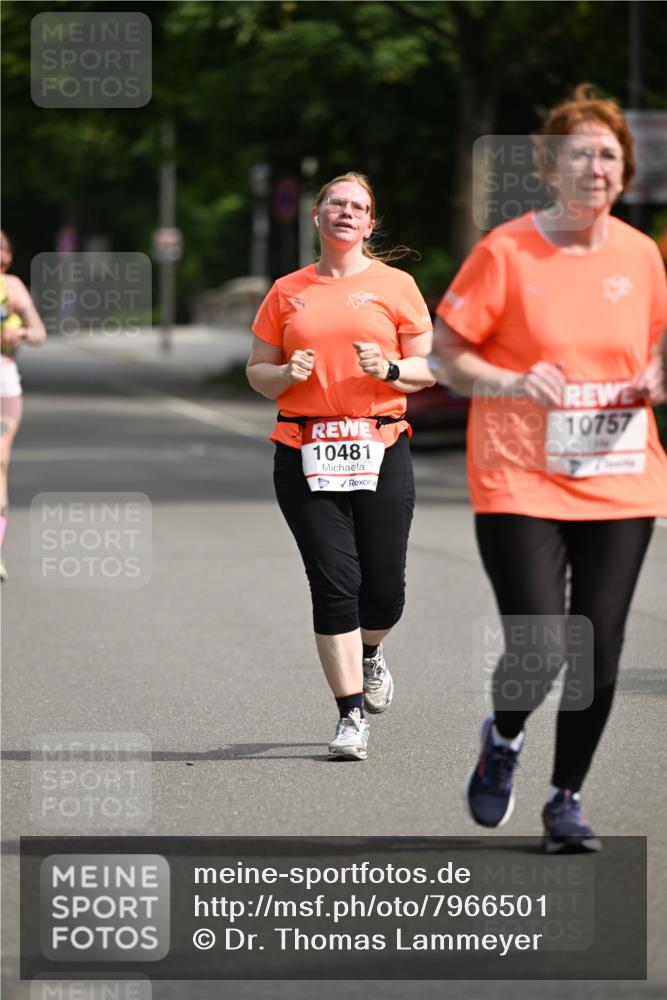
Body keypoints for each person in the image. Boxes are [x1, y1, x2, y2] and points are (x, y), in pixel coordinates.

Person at [433, 85, 667, 851]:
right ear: (549, 168)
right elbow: (447, 354)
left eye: (608, 155)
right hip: (517, 474)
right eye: (580, 155)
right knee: (537, 647)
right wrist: (508, 380)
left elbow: (653, 344)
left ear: (623, 171)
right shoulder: (506, 251)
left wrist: (656, 375)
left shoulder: (640, 255)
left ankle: (565, 798)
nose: (595, 168)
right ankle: (503, 736)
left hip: (618, 472)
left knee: (598, 647)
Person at [247, 172, 434, 759]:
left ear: (370, 224)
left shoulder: (397, 286)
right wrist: (285, 375)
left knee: (384, 594)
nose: (346, 212)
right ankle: (350, 717)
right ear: (317, 215)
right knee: (334, 585)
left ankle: (370, 651)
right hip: (304, 449)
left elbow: (428, 368)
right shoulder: (287, 291)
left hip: (381, 445)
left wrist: (389, 370)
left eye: (358, 206)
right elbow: (257, 371)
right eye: (335, 203)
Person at [0, 230, 47, 581]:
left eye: (3, 250)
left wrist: (22, 334)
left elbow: (39, 333)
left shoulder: (13, 287)